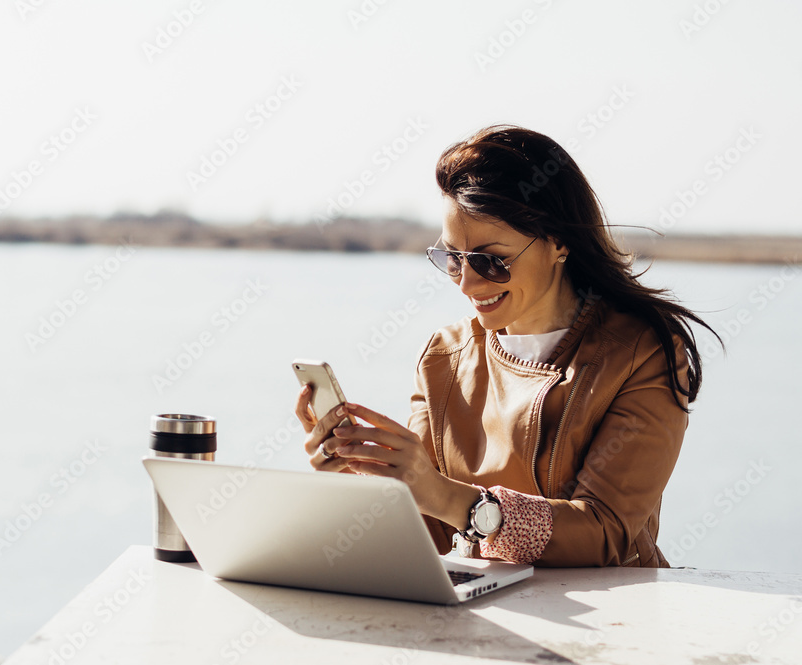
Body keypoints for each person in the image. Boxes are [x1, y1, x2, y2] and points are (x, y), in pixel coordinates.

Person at [295, 125, 721, 567]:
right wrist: (359, 474)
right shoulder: (444, 356)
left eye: (490, 260)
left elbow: (606, 533)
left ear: (559, 242)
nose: (466, 283)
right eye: (453, 258)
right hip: (479, 614)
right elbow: (431, 528)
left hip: (606, 621)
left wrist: (452, 498)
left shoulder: (642, 353)